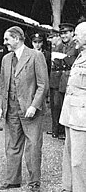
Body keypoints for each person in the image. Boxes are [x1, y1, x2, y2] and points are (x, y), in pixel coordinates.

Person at [0, 26, 49, 191]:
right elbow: (3, 86)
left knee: (33, 145)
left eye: (7, 39)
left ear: (17, 38)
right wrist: (0, 107)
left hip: (29, 109)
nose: (4, 43)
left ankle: (34, 182)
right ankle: (13, 180)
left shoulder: (36, 56)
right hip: (11, 109)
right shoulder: (6, 59)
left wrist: (34, 105)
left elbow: (43, 85)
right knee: (12, 144)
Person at [59, 21, 86, 192]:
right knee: (68, 155)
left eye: (77, 34)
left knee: (79, 160)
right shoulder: (80, 55)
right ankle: (68, 187)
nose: (74, 37)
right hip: (71, 113)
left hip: (82, 116)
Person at [49, 23, 79, 140]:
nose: (63, 36)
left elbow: (71, 61)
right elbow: (55, 61)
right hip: (56, 79)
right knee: (55, 105)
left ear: (72, 33)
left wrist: (62, 59)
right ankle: (56, 130)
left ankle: (64, 131)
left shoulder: (75, 46)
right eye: (61, 33)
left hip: (67, 80)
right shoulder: (59, 45)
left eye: (66, 33)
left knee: (65, 106)